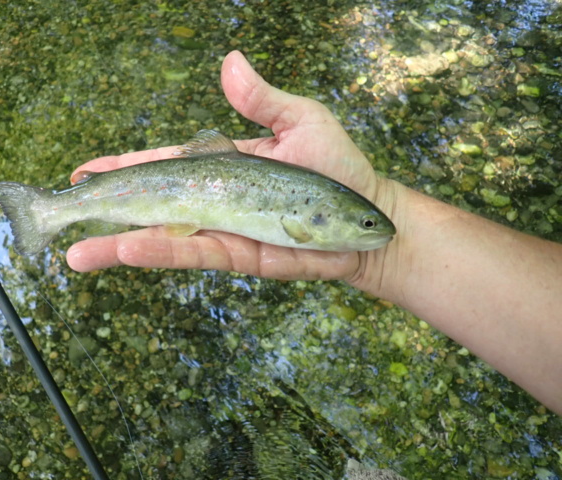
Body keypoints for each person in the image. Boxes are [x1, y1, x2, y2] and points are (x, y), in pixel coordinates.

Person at [67, 51, 562, 415]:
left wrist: (384, 215)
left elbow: (384, 233)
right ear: (328, 219)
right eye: (368, 224)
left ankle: (55, 209)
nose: (376, 232)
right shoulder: (318, 205)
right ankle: (54, 210)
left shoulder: (334, 208)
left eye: (369, 223)